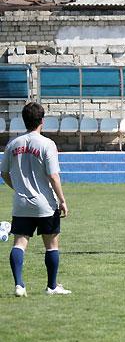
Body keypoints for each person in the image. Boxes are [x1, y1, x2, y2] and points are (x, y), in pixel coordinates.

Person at [0, 102, 70, 297]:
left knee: (19, 243)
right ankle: (52, 286)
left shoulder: (13, 144)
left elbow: (3, 173)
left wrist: (18, 188)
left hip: (21, 203)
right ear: (42, 121)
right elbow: (53, 176)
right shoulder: (47, 144)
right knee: (51, 246)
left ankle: (19, 285)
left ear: (23, 120)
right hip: (45, 203)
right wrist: (62, 200)